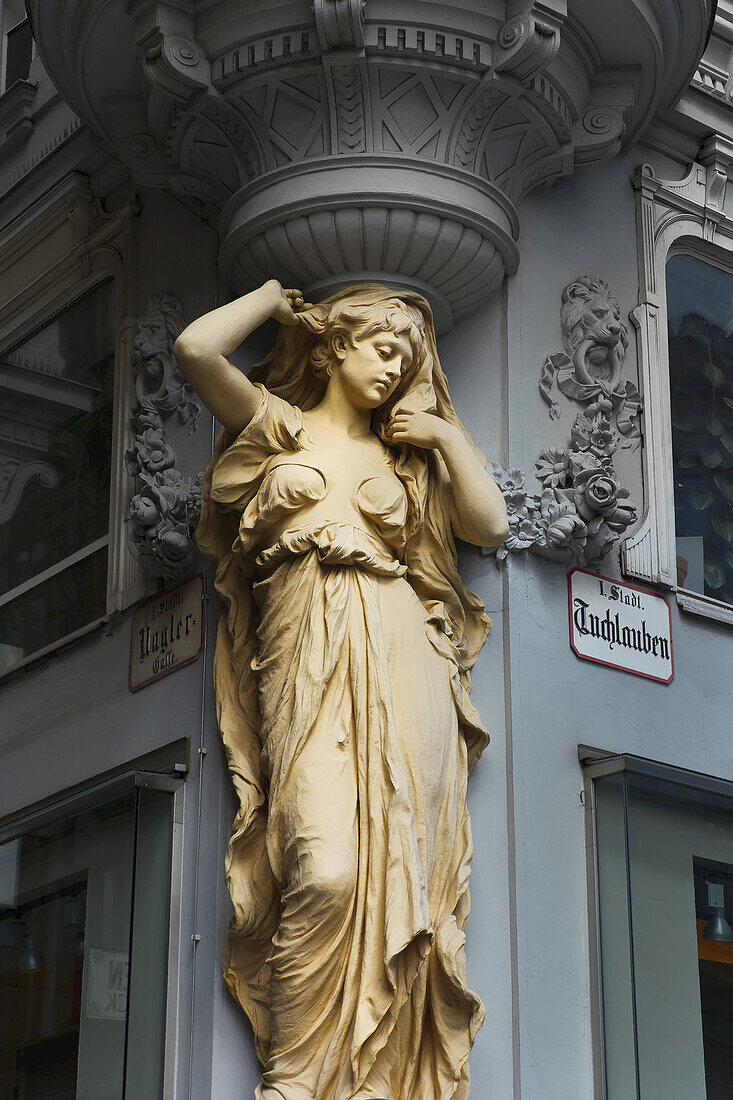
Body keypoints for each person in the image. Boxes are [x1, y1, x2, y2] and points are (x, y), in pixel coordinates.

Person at [174, 279, 508, 1100]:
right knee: (320, 868)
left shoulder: (404, 457)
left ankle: (379, 1077)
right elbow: (194, 351)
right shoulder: (276, 429)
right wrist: (265, 299)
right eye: (381, 348)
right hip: (304, 658)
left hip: (404, 661)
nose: (395, 368)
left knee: (400, 867)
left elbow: (488, 525)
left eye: (407, 357)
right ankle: (292, 1079)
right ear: (333, 348)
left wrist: (438, 434)